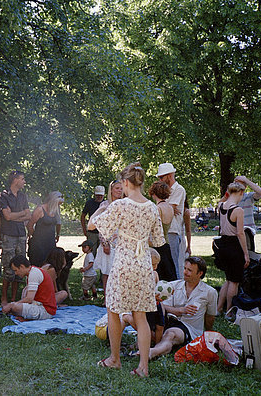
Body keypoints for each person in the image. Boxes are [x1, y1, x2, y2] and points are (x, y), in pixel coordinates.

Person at [89, 162, 165, 378]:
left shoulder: (120, 205)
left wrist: (101, 210)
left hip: (123, 263)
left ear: (125, 182)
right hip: (143, 264)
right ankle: (143, 367)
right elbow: (158, 241)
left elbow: (93, 226)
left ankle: (114, 359)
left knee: (113, 311)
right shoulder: (152, 207)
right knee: (140, 316)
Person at [146, 257, 218, 360]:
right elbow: (162, 306)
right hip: (168, 322)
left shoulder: (210, 292)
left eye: (189, 270)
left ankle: (151, 352)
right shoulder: (172, 286)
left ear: (200, 273)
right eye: (185, 268)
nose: (185, 272)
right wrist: (180, 310)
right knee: (138, 321)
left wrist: (208, 334)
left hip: (188, 327)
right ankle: (154, 348)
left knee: (170, 334)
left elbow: (210, 317)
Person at [0, 170, 31, 304]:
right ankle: (4, 298)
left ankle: (14, 298)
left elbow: (28, 215)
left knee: (20, 267)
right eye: (22, 179)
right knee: (8, 268)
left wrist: (14, 216)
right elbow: (7, 216)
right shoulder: (3, 196)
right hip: (8, 235)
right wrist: (19, 215)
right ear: (15, 180)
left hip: (21, 235)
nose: (24, 182)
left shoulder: (23, 196)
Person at [216, 182, 250, 314]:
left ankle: (219, 308)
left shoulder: (221, 205)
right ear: (241, 193)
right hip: (234, 246)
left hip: (222, 245)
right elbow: (240, 233)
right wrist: (246, 253)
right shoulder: (238, 210)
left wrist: (227, 194)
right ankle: (229, 310)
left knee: (228, 279)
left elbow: (222, 199)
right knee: (234, 281)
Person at [92, 180, 123, 305]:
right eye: (117, 188)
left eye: (121, 188)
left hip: (121, 241)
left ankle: (118, 298)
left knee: (119, 272)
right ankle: (106, 297)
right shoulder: (105, 205)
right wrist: (105, 243)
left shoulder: (124, 204)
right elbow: (100, 225)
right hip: (108, 240)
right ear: (111, 190)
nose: (119, 191)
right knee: (106, 272)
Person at [2, 255, 57, 320]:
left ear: (21, 266)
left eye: (15, 270)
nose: (16, 273)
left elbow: (29, 299)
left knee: (15, 307)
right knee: (15, 306)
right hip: (42, 306)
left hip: (45, 311)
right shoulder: (32, 272)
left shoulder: (34, 274)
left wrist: (12, 305)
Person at [156, 163, 186, 278]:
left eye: (161, 177)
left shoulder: (179, 189)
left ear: (169, 176)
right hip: (163, 231)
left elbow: (167, 209)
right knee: (164, 265)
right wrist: (168, 208)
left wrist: (167, 208)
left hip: (172, 231)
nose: (160, 180)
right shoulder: (163, 190)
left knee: (174, 265)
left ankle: (177, 291)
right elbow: (168, 208)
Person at [148, 180, 177, 281]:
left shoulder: (157, 208)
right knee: (169, 276)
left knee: (159, 278)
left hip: (157, 246)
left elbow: (155, 230)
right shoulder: (170, 207)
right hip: (166, 245)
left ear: (153, 193)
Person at [27, 191, 63, 267]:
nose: (58, 206)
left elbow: (58, 223)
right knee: (38, 266)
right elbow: (30, 225)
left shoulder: (55, 210)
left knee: (50, 265)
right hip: (39, 245)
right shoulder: (40, 209)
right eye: (57, 204)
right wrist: (36, 237)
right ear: (53, 201)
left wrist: (58, 234)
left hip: (50, 243)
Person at [80, 186, 105, 256]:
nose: (99, 197)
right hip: (92, 233)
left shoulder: (106, 204)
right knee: (91, 253)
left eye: (101, 195)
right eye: (97, 195)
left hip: (102, 233)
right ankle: (90, 266)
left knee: (102, 254)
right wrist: (84, 230)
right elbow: (83, 216)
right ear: (94, 194)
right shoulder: (89, 203)